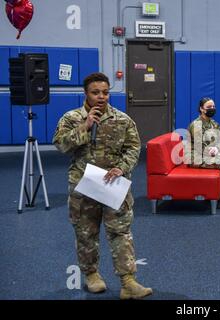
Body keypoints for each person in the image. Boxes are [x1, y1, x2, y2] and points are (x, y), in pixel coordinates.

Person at [53, 72, 152, 300]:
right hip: (83, 185)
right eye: (95, 92)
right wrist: (85, 127)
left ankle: (128, 282)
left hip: (113, 183)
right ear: (85, 93)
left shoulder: (122, 119)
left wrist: (122, 167)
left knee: (121, 232)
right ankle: (91, 275)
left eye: (105, 92)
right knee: (86, 233)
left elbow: (133, 148)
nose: (101, 97)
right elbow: (60, 145)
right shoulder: (71, 118)